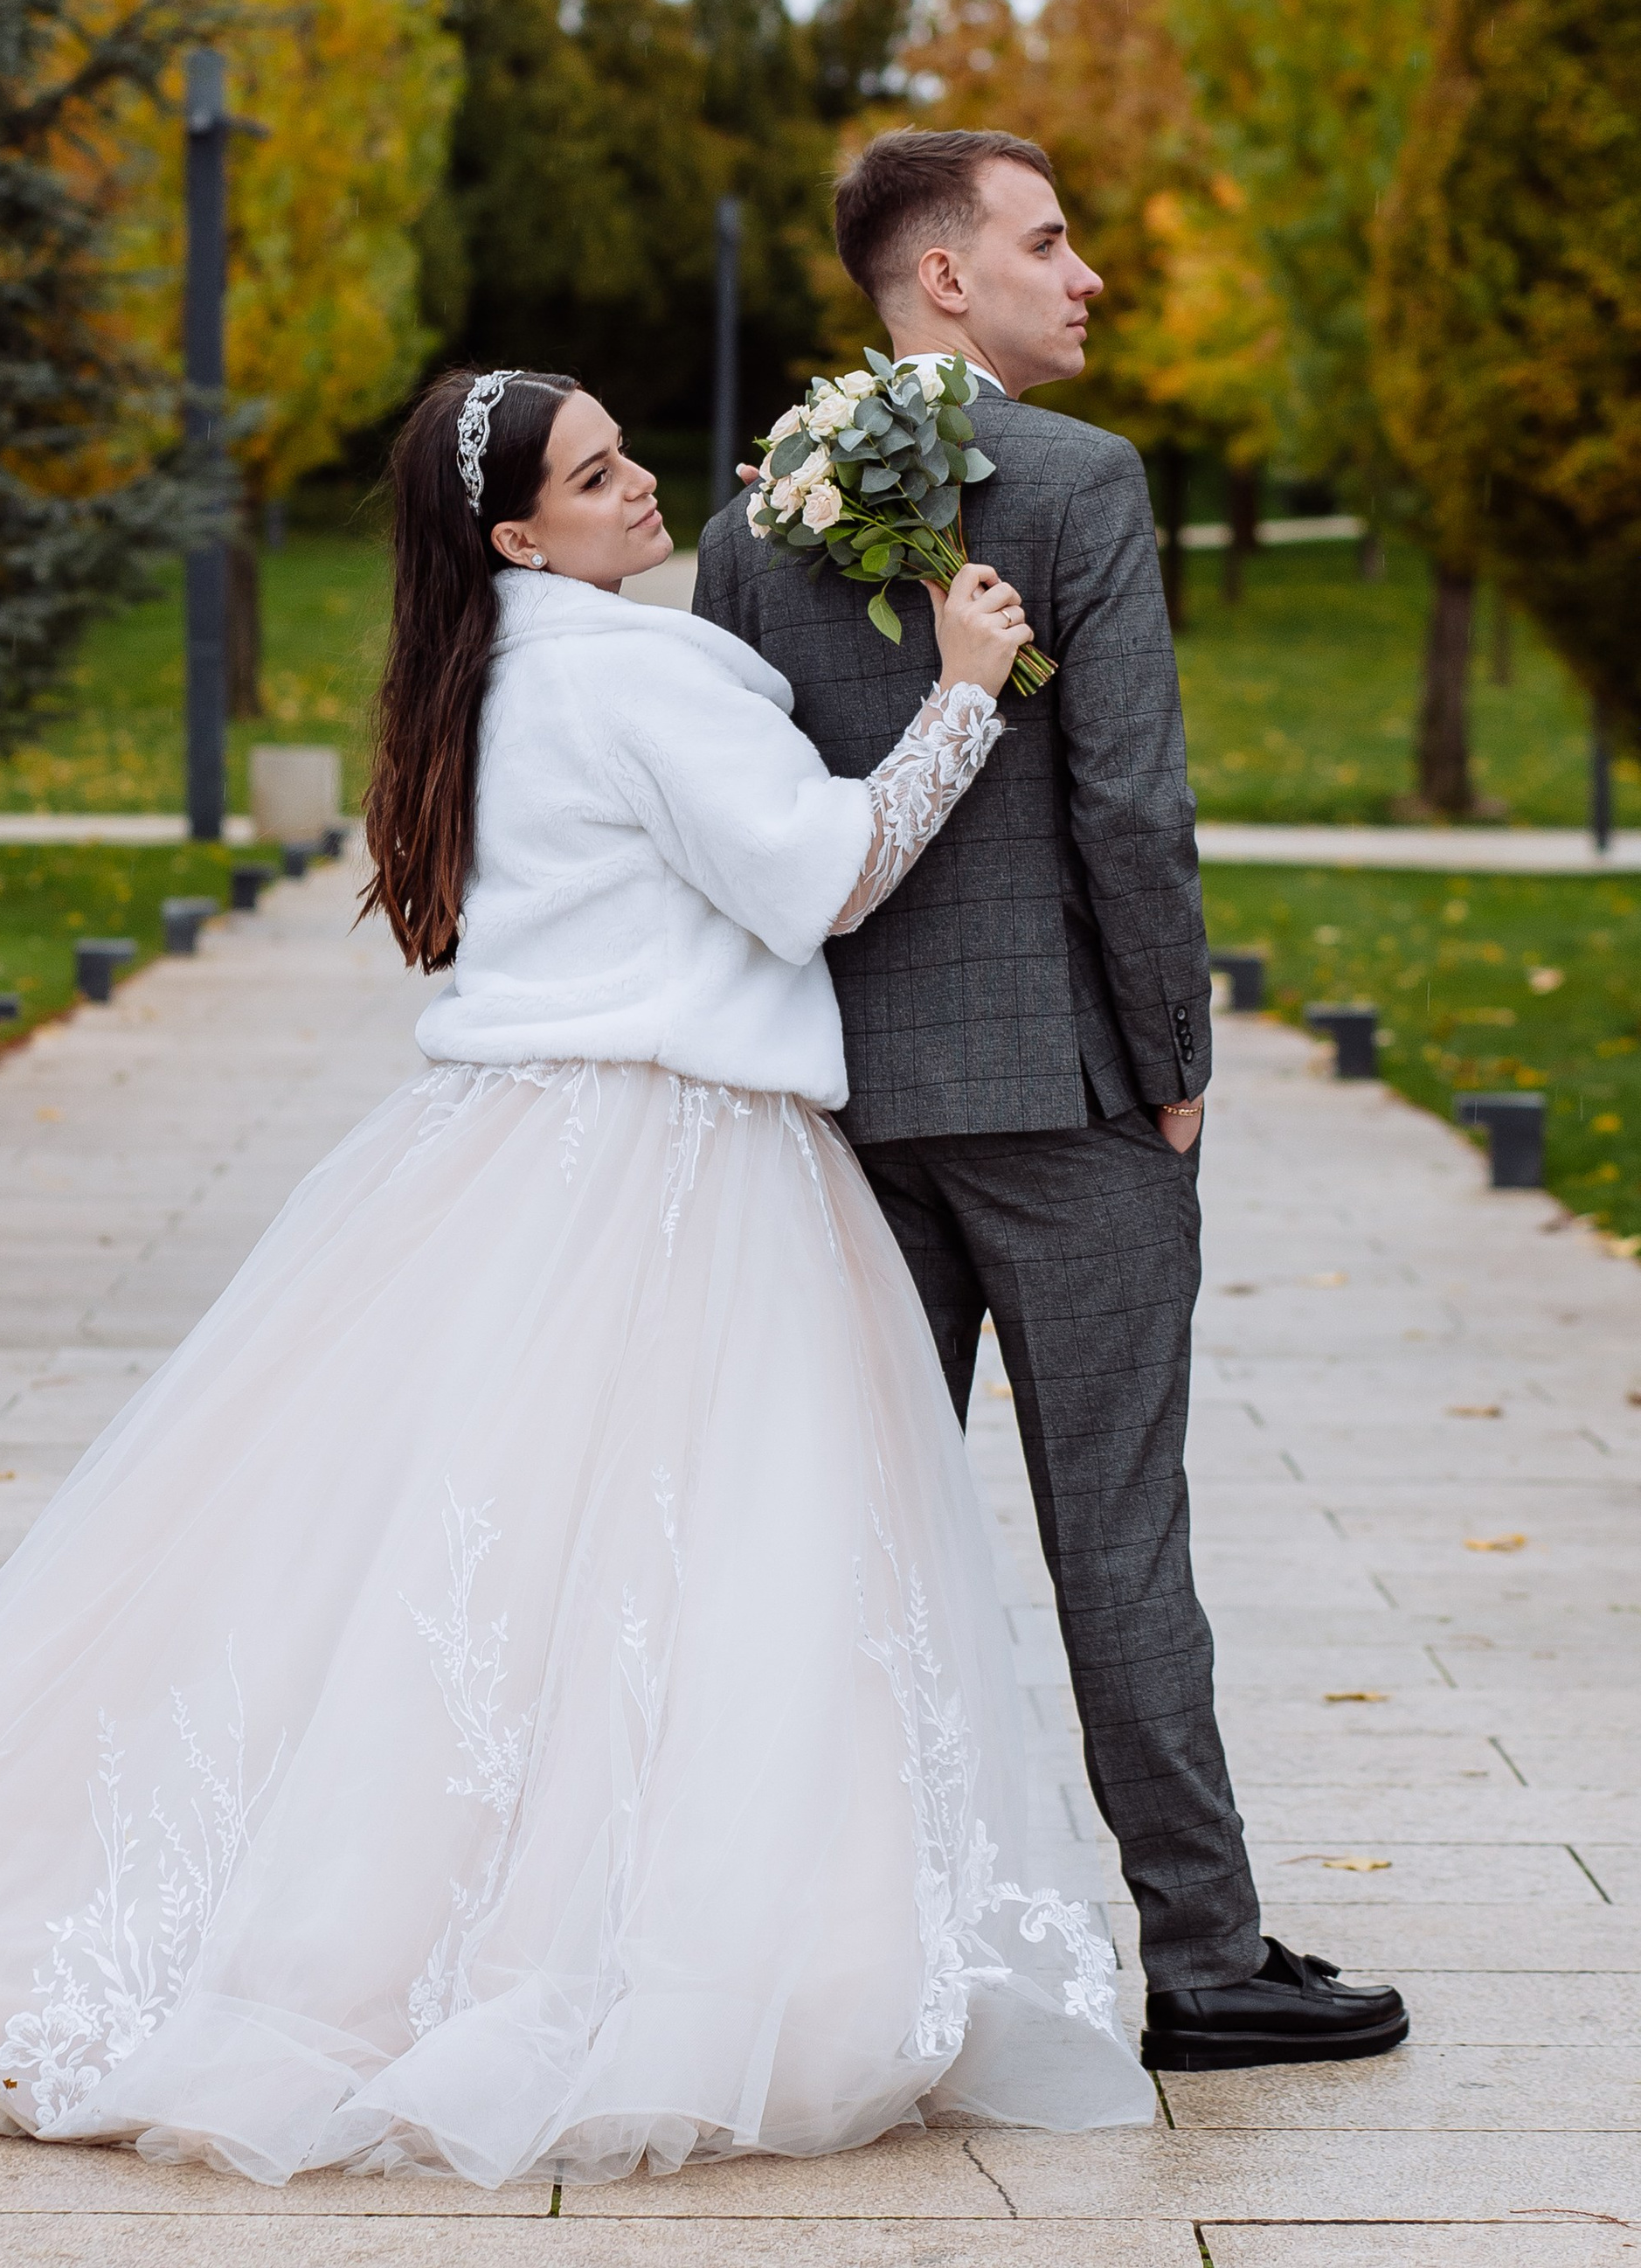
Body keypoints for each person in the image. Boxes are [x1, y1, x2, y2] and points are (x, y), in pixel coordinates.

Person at [0, 364, 1157, 2181]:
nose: (643, 486)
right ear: (512, 534)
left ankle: (467, 1914)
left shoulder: (491, 682)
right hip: (668, 1165)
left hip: (509, 1155)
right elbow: (818, 882)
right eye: (595, 472)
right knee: (689, 1570)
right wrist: (958, 695)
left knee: (486, 1580)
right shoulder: (630, 672)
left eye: (625, 453)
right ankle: (651, 1948)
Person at [694, 125, 1409, 2077]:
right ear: (942, 278)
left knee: (846, 1540)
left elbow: (737, 818)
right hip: (1067, 1099)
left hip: (841, 1103)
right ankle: (1200, 1954)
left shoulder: (757, 513)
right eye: (1046, 239)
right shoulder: (1078, 480)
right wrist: (1170, 1065)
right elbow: (1125, 804)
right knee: (1112, 1533)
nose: (1082, 272)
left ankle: (803, 1947)